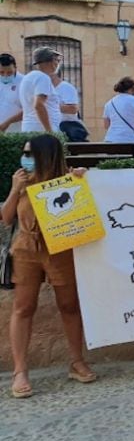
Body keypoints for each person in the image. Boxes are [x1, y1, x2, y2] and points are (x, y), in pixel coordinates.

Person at [4, 134, 97, 398]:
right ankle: (20, 371)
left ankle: (77, 361)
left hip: (61, 248)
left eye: (30, 153)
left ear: (47, 156)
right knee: (23, 307)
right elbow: (6, 218)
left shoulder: (68, 180)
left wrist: (85, 178)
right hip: (26, 249)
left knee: (69, 305)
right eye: (24, 153)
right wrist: (14, 189)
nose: (25, 158)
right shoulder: (21, 180)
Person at [18, 47, 62, 134]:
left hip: (31, 128)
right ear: (49, 61)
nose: (58, 63)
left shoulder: (29, 77)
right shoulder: (43, 78)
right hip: (41, 131)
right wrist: (49, 131)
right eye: (57, 60)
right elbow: (39, 105)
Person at [103, 77, 134, 144]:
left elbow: (106, 126)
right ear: (132, 88)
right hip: (129, 140)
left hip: (110, 140)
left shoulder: (109, 103)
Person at [0, 53, 23, 133]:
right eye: (1, 72)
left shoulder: (24, 82)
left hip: (16, 132)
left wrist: (8, 122)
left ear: (15, 68)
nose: (5, 75)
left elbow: (29, 109)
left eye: (10, 72)